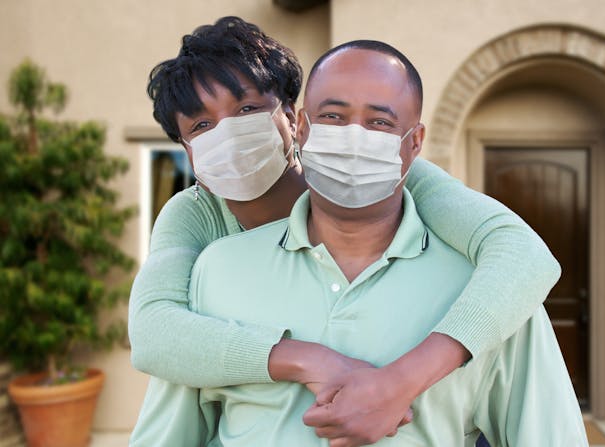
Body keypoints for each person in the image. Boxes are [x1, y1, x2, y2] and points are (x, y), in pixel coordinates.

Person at [129, 17, 561, 445]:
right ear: (186, 150)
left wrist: (400, 382)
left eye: (247, 109)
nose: (230, 135)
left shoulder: (404, 181)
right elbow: (154, 333)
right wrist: (307, 360)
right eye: (201, 126)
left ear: (290, 119)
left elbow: (522, 254)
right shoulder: (202, 238)